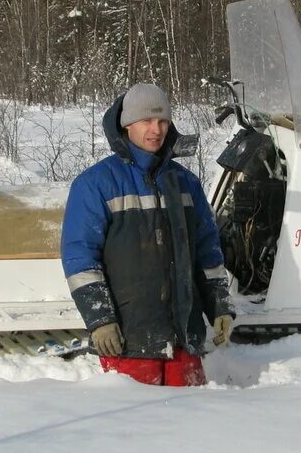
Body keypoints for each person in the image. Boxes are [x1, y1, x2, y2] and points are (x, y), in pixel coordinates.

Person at [61, 83, 234, 386]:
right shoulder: (96, 184)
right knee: (137, 415)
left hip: (182, 338)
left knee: (193, 412)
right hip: (129, 339)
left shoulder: (186, 183)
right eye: (146, 120)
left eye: (163, 121)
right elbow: (81, 258)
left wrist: (219, 306)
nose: (157, 129)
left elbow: (207, 251)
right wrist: (101, 320)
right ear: (127, 124)